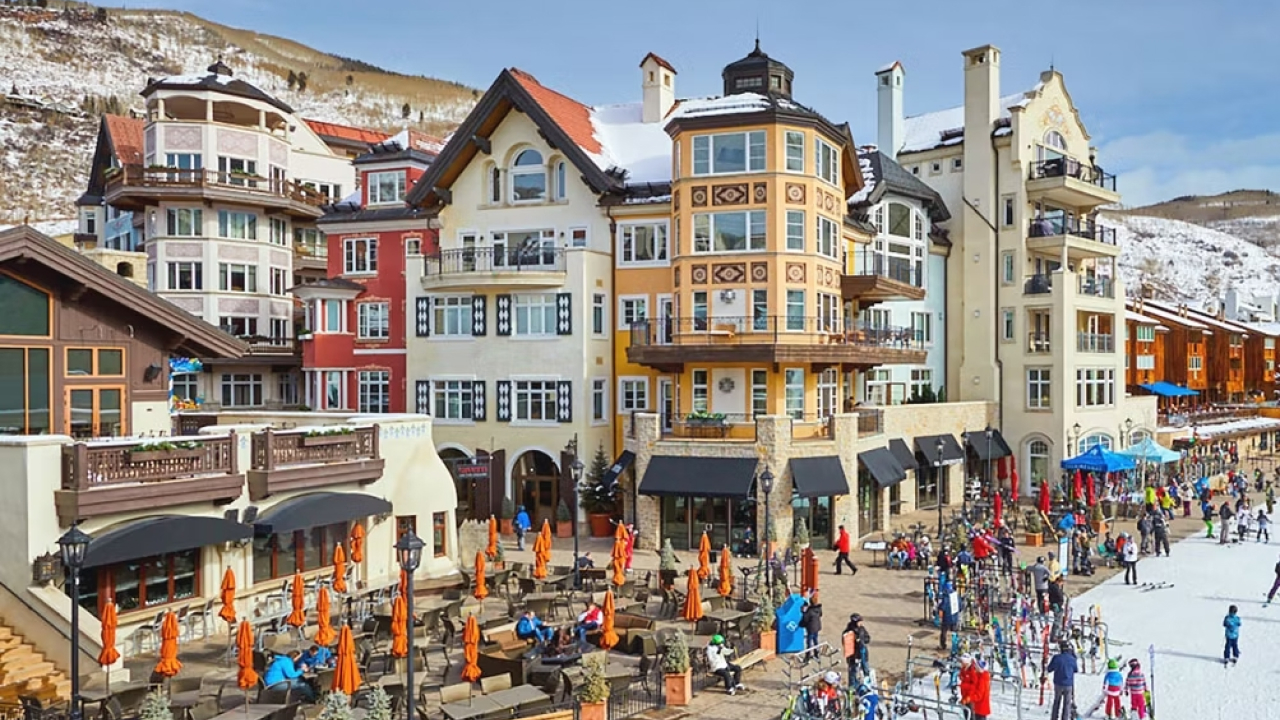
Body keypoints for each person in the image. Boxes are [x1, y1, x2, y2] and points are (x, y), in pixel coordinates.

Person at [1045, 642, 1077, 720]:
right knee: (1067, 704)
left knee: (1056, 702)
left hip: (1058, 683)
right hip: (1068, 684)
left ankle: (1054, 717)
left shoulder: (1056, 658)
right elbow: (1075, 670)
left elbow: (1049, 669)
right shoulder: (1072, 659)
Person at [958, 654, 991, 720]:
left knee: (973, 717)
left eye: (976, 668)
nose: (974, 669)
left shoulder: (982, 679)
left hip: (980, 707)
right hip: (977, 705)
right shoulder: (981, 676)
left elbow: (979, 694)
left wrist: (969, 698)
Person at [842, 613, 871, 683]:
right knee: (853, 671)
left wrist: (863, 640)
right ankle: (852, 687)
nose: (861, 623)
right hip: (853, 655)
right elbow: (845, 643)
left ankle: (867, 682)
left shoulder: (862, 629)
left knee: (866, 668)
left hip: (862, 651)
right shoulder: (848, 632)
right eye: (859, 621)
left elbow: (868, 637)